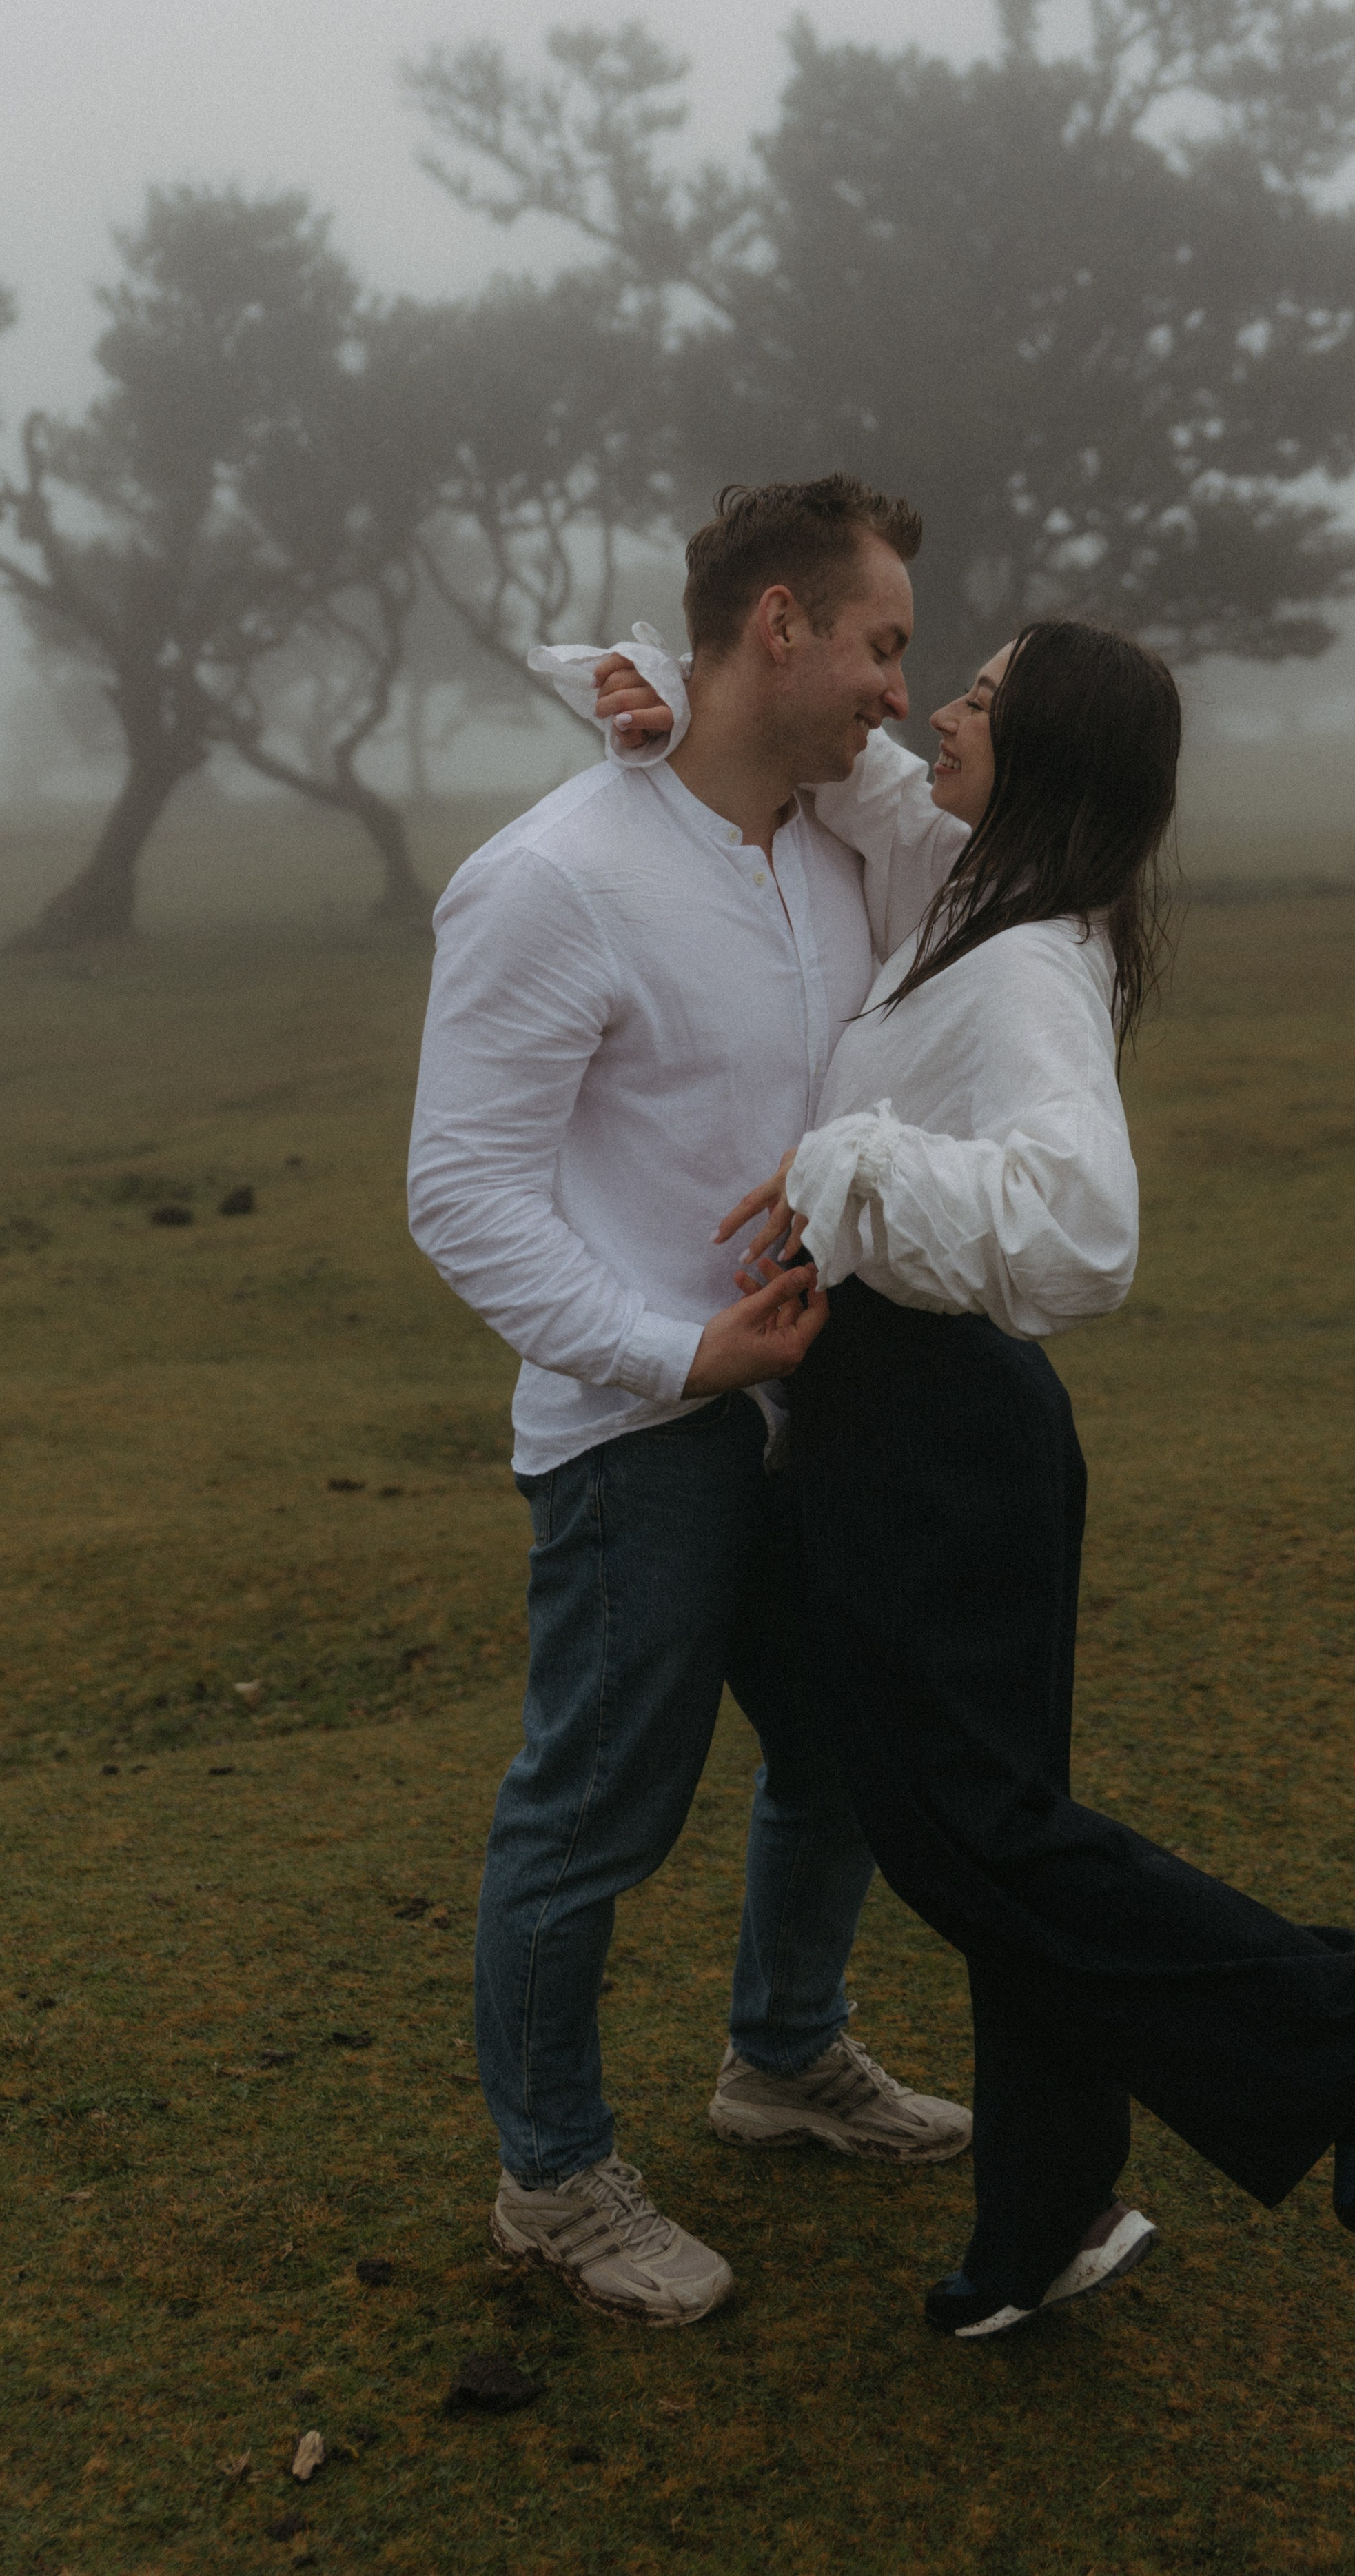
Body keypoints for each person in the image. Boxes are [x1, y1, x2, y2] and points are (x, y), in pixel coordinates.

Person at [708, 618, 1355, 2340]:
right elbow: (870, 785)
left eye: (978, 698)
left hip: (937, 1430)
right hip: (913, 1426)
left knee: (973, 1838)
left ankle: (1352, 2011)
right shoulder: (971, 890)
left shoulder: (1033, 956)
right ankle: (1046, 2216)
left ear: (1044, 753)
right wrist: (659, 689)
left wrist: (853, 1155)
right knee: (985, 1835)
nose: (936, 715)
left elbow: (1082, 1228)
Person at [406, 475, 975, 2334]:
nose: (906, 687)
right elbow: (461, 1193)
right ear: (782, 626)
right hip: (644, 1428)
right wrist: (675, 1354)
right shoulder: (552, 875)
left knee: (845, 1756)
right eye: (883, 643)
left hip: (819, 1417)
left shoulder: (828, 849)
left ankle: (783, 2057)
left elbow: (964, 857)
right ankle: (553, 2178)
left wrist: (673, 684)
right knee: (595, 1814)